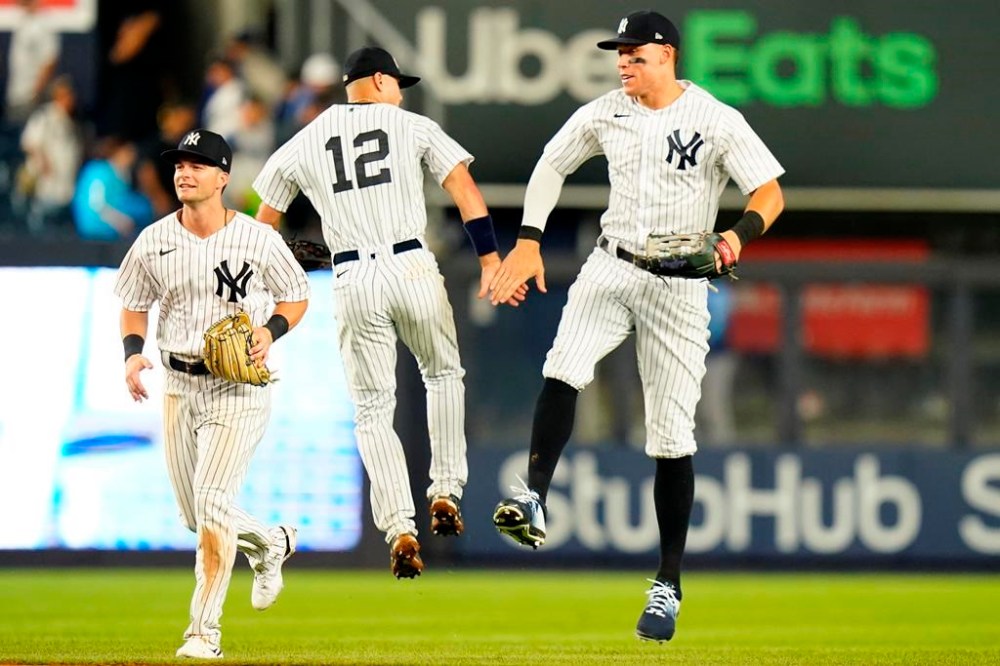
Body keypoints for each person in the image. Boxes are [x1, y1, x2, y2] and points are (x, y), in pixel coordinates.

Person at [487, 10, 785, 643]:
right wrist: (529, 240)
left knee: (672, 437)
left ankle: (667, 583)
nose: (623, 62)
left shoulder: (716, 119)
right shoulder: (605, 112)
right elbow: (550, 165)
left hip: (680, 284)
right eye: (619, 53)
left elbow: (769, 193)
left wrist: (736, 235)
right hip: (612, 263)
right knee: (562, 367)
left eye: (635, 53)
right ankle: (534, 495)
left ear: (668, 55)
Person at [253, 46, 525, 579]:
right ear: (377, 80)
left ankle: (399, 526)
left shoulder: (307, 136)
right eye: (397, 82)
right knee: (444, 374)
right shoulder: (410, 125)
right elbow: (464, 188)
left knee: (373, 411)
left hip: (352, 275)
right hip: (411, 264)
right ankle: (445, 489)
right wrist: (490, 259)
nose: (400, 91)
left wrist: (281, 265)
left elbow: (263, 225)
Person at [114, 129, 311, 659]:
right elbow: (133, 301)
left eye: (198, 164)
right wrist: (133, 353)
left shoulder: (258, 238)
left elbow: (296, 294)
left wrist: (269, 332)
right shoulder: (153, 239)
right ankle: (271, 543)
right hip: (179, 386)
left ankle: (204, 634)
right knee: (194, 515)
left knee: (214, 504)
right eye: (180, 163)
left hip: (238, 387)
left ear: (223, 177)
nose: (185, 172)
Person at [72, 137, 154, 240]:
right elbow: (97, 205)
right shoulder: (99, 171)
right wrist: (121, 221)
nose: (132, 157)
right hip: (95, 227)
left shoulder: (119, 174)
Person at [4, 0, 60, 125]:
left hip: (30, 97)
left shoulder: (43, 23)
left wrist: (35, 94)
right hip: (15, 95)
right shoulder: (24, 21)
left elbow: (50, 60)